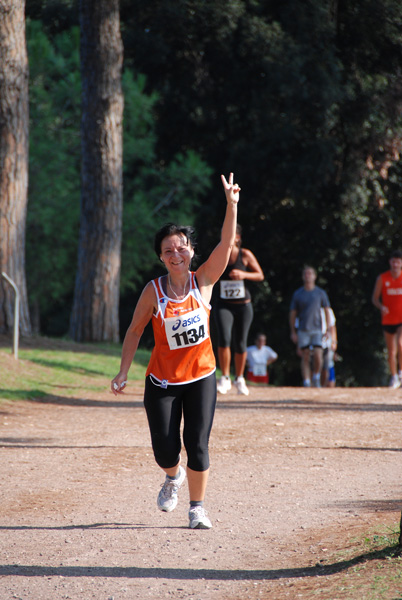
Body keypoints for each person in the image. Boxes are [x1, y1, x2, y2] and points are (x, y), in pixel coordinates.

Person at [111, 173, 240, 530]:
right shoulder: (154, 291)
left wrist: (231, 205)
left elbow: (226, 245)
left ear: (191, 251)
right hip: (163, 381)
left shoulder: (204, 282)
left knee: (197, 443)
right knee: (165, 450)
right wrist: (123, 372)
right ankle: (173, 476)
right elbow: (135, 330)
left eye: (181, 247)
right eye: (168, 250)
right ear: (161, 258)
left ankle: (197, 508)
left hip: (201, 376)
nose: (176, 253)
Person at [214, 224, 264, 396]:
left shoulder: (245, 254)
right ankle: (225, 377)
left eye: (230, 233)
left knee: (241, 342)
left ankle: (240, 378)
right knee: (224, 338)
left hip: (243, 305)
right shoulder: (218, 254)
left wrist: (244, 275)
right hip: (223, 304)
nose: (226, 236)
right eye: (224, 233)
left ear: (237, 237)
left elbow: (260, 275)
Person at [289, 265, 331, 388]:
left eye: (310, 273)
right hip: (303, 329)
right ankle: (306, 381)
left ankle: (316, 376)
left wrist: (328, 329)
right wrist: (293, 331)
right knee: (305, 355)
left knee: (318, 354)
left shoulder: (320, 293)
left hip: (317, 329)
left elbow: (327, 310)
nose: (308, 276)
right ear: (303, 277)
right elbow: (293, 313)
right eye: (305, 274)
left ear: (314, 276)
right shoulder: (298, 294)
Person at [372, 250, 402, 389]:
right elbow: (375, 298)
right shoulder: (383, 278)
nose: (396, 264)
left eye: (398, 261)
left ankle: (401, 372)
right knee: (391, 351)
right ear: (390, 262)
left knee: (401, 344)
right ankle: (394, 376)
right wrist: (381, 307)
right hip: (388, 318)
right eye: (393, 261)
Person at [321, 307, 338, 387]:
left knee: (328, 365)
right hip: (314, 344)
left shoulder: (328, 310)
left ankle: (329, 389)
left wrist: (334, 342)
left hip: (326, 343)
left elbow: (332, 327)